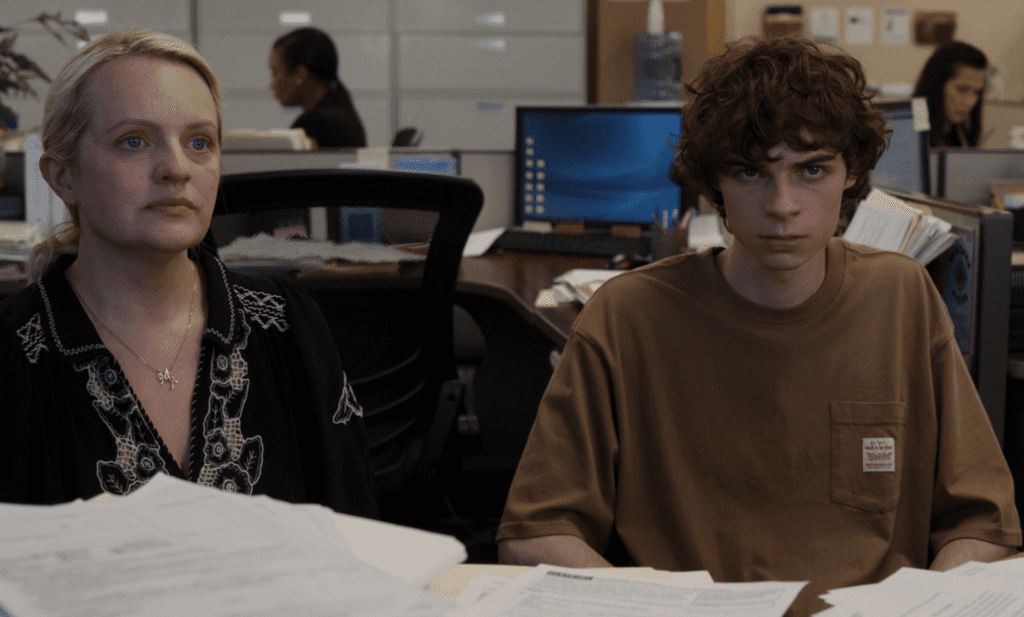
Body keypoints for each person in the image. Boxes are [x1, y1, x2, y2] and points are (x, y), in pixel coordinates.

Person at [496, 36, 1020, 616]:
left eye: (812, 170)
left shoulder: (902, 298)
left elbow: (982, 525)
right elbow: (536, 534)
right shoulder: (626, 317)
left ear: (850, 175)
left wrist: (931, 606)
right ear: (714, 182)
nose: (782, 205)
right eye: (750, 172)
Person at [0, 29, 376, 517]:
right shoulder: (12, 353)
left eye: (199, 142)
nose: (176, 168)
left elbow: (357, 532)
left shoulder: (288, 326)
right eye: (133, 141)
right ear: (62, 176)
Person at [269, 27, 367, 149]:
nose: (271, 84)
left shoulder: (319, 128)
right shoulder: (341, 110)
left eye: (275, 72)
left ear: (300, 74)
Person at [913, 41, 988, 148]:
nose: (970, 102)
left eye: (977, 92)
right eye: (962, 90)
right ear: (937, 84)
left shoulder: (958, 132)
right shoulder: (912, 129)